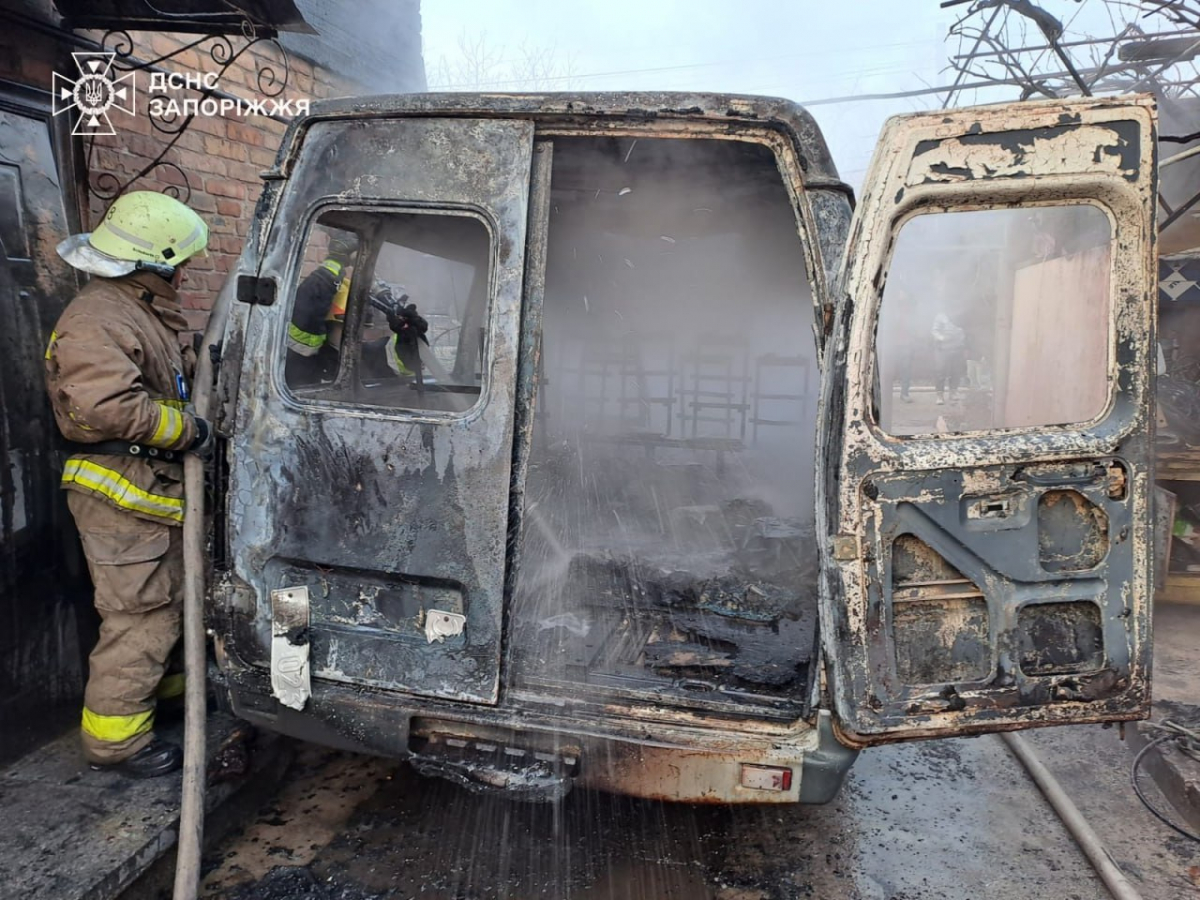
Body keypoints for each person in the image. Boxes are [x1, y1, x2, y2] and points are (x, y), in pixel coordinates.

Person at [45, 191, 214, 778]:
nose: (184, 273)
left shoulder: (134, 309)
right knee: (138, 615)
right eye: (179, 264)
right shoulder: (98, 317)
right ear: (156, 261)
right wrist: (188, 430)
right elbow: (106, 406)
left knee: (166, 602)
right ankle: (117, 744)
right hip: (119, 488)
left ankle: (165, 699)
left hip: (147, 487)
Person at [931, 312, 967, 406]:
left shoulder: (961, 315)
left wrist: (962, 342)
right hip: (943, 349)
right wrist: (942, 338)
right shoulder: (941, 316)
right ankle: (940, 395)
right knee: (940, 371)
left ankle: (953, 393)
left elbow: (964, 330)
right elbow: (934, 331)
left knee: (956, 372)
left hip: (957, 348)